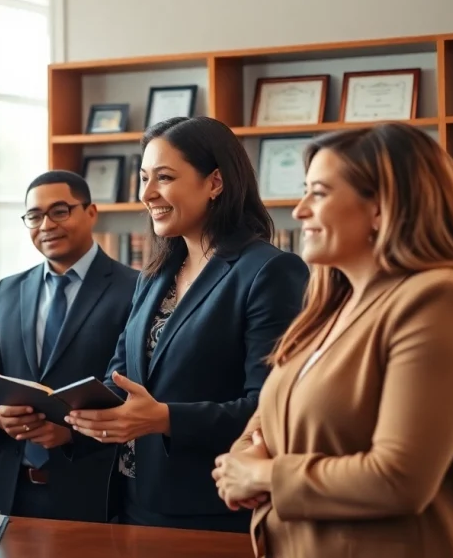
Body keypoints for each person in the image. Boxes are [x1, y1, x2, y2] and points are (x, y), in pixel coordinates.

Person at [213, 123, 453, 558]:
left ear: (381, 207)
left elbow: (399, 479)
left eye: (319, 193)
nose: (300, 210)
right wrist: (241, 462)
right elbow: (266, 422)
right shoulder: (327, 308)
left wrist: (264, 477)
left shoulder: (442, 299)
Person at [65, 116, 309, 532]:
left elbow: (271, 409)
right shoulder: (155, 273)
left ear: (215, 182)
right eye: (143, 178)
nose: (147, 194)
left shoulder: (270, 271)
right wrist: (65, 412)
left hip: (214, 512)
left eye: (164, 177)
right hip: (132, 501)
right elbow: (119, 378)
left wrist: (163, 418)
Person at [0, 170, 138, 522]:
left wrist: (71, 431)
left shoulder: (136, 288)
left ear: (90, 213)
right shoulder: (8, 291)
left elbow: (132, 387)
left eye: (60, 211)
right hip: (10, 492)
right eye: (34, 215)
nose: (46, 224)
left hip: (93, 490)